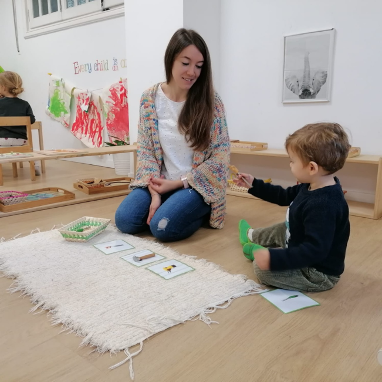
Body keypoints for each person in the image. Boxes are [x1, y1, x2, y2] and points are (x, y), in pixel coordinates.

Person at [115, 28, 230, 242]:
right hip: (160, 182)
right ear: (171, 59)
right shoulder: (149, 98)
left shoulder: (211, 102)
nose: (192, 72)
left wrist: (179, 184)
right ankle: (171, 207)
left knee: (162, 228)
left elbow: (220, 158)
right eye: (185, 63)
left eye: (199, 66)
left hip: (196, 186)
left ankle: (203, 210)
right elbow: (146, 150)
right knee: (125, 221)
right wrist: (156, 191)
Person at [234, 123, 351, 292]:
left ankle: (260, 252)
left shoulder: (323, 205)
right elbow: (283, 196)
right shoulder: (311, 184)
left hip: (316, 272)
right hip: (300, 245)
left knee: (262, 271)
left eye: (292, 161)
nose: (289, 164)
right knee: (284, 227)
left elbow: (314, 251)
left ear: (312, 167)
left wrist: (275, 259)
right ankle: (252, 236)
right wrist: (254, 185)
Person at [0, 71, 39, 175]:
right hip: (21, 141)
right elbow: (31, 120)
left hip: (1, 140)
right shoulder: (25, 104)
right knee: (31, 151)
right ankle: (35, 166)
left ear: (3, 88)